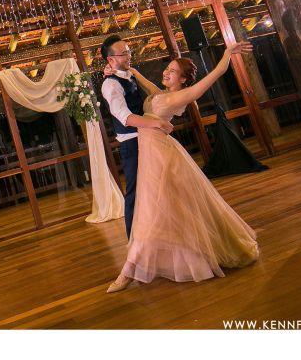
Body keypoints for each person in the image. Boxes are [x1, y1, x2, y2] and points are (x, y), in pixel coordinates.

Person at [106, 42, 259, 292]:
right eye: (167, 68)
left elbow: (215, 75)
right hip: (151, 156)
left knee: (150, 214)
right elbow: (146, 84)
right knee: (164, 212)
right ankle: (143, 265)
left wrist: (226, 55)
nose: (167, 72)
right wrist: (124, 70)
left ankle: (128, 273)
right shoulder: (160, 94)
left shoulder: (180, 96)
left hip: (160, 158)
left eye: (173, 71)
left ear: (184, 79)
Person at [100, 35, 174, 238]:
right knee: (135, 190)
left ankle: (157, 232)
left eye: (129, 51)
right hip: (132, 143)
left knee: (157, 187)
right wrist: (157, 123)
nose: (129, 56)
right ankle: (134, 238)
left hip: (147, 138)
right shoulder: (110, 85)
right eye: (123, 53)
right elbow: (125, 118)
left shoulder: (129, 75)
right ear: (110, 59)